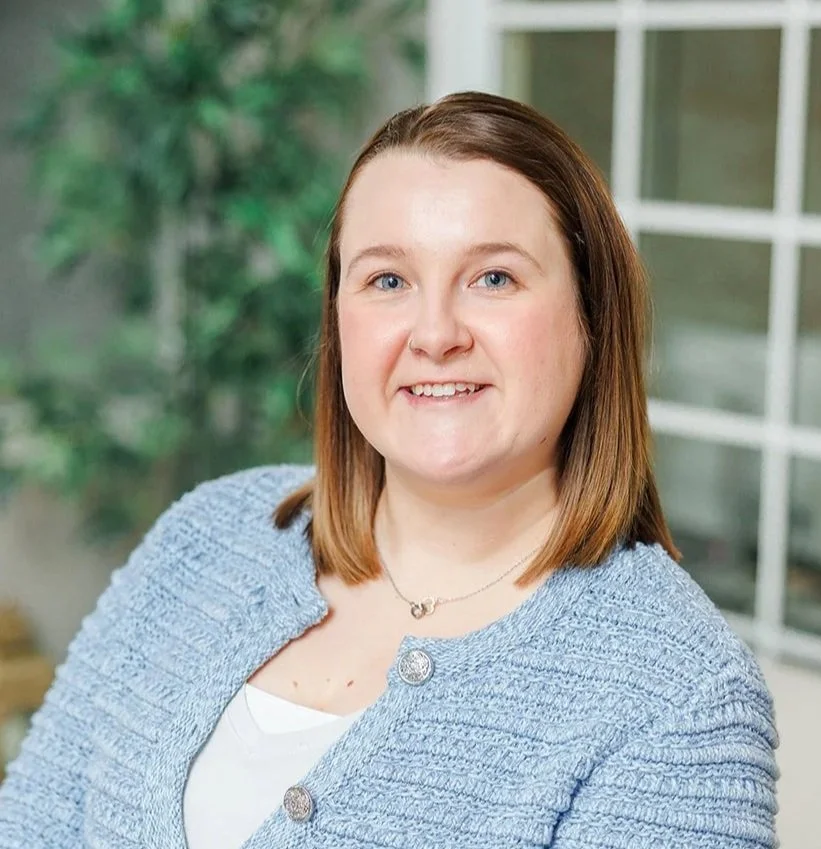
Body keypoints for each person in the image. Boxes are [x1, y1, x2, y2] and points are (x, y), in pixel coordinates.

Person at [0, 91, 778, 849]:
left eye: (493, 277)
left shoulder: (676, 694)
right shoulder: (202, 537)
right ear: (340, 318)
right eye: (387, 280)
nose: (435, 333)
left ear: (591, 316)